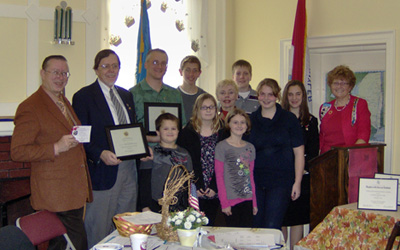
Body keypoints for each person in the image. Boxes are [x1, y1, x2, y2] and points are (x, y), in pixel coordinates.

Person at [11, 55, 92, 250]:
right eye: (55, 72)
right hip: (54, 195)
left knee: (60, 245)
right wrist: (55, 147)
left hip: (74, 190)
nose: (60, 77)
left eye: (64, 73)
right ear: (42, 74)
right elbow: (18, 152)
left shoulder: (63, 101)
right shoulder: (30, 107)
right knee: (78, 244)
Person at [72, 49, 138, 248]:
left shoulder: (126, 95)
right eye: (105, 66)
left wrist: (142, 149)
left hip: (129, 170)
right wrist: (100, 153)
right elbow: (80, 137)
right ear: (96, 69)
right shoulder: (83, 96)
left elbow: (131, 129)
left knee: (126, 227)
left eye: (115, 66)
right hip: (102, 171)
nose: (111, 70)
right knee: (98, 229)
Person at [247, 78, 304, 230]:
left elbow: (299, 152)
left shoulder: (289, 119)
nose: (266, 98)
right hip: (256, 181)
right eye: (262, 94)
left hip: (281, 181)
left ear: (277, 96)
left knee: (272, 226)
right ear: (257, 95)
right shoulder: (250, 120)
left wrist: (297, 182)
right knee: (256, 227)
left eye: (270, 94)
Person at [281, 80, 319, 249]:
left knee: (297, 220)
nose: (294, 98)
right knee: (281, 218)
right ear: (285, 97)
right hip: (281, 177)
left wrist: (299, 170)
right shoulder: (279, 119)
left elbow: (313, 152)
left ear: (303, 96)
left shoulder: (311, 121)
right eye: (290, 94)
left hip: (301, 178)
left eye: (298, 94)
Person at [177, 93, 226, 226]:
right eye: (204, 107)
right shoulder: (187, 132)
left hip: (217, 187)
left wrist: (214, 187)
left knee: (213, 227)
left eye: (211, 107)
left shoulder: (223, 131)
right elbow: (184, 163)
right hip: (194, 187)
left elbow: (226, 162)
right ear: (197, 110)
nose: (208, 110)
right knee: (194, 226)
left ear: (216, 110)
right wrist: (196, 185)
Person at [130, 48, 187, 143]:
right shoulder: (132, 94)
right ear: (146, 64)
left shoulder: (175, 94)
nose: (159, 66)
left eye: (163, 63)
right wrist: (150, 139)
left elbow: (182, 125)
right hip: (144, 153)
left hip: (172, 153)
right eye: (155, 62)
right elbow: (128, 129)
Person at [140, 113, 193, 212]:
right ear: (158, 132)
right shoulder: (150, 153)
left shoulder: (184, 154)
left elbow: (189, 181)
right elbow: (144, 181)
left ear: (178, 131)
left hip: (179, 204)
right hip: (155, 203)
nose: (170, 131)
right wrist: (145, 206)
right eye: (165, 129)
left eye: (173, 128)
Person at [215, 108, 257, 227]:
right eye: (235, 122)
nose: (239, 125)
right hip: (230, 201)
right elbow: (219, 176)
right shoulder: (221, 147)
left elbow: (251, 176)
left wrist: (254, 202)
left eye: (242, 122)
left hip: (247, 200)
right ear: (228, 124)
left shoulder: (250, 148)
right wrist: (224, 203)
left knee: (245, 238)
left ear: (247, 125)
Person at [319, 65, 371, 154]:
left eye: (344, 83)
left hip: (351, 159)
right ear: (330, 85)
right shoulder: (325, 107)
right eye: (335, 83)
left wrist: (349, 158)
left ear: (350, 87)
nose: (339, 86)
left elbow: (363, 136)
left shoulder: (359, 104)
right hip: (327, 160)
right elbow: (322, 138)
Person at [178, 55, 207, 122]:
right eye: (187, 70)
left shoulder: (204, 97)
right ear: (180, 72)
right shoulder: (174, 95)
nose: (191, 74)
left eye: (195, 70)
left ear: (199, 73)